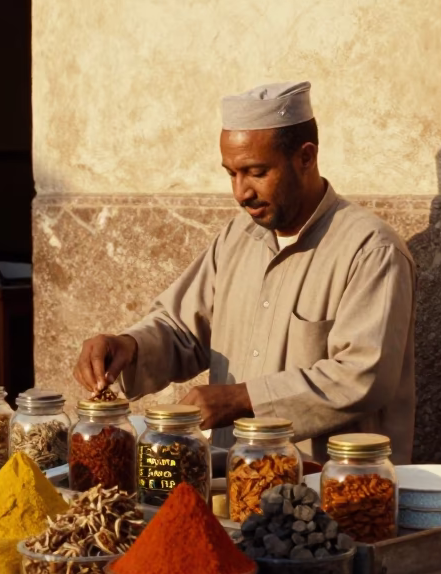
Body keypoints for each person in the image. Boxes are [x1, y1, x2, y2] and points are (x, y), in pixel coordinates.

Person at [73, 82, 416, 462]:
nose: (241, 192)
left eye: (255, 172)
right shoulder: (238, 237)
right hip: (232, 480)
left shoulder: (370, 249)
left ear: (305, 157)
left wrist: (243, 400)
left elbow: (363, 375)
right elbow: (183, 329)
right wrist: (129, 346)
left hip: (333, 491)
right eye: (231, 174)